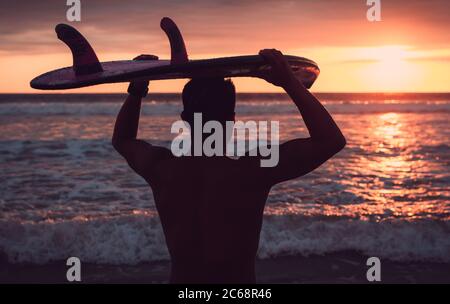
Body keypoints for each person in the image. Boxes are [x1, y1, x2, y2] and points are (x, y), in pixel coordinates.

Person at [112, 49, 346, 283]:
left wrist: (137, 91)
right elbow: (330, 141)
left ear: (184, 118)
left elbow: (122, 140)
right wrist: (290, 83)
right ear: (232, 120)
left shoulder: (161, 168)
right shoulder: (252, 171)